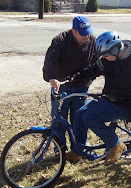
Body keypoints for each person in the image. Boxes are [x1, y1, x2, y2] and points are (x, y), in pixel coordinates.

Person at [66, 31, 131, 166]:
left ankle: (116, 145)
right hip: (109, 99)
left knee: (90, 117)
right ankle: (78, 152)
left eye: (105, 55)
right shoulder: (109, 59)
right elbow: (93, 70)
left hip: (125, 105)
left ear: (116, 49)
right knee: (80, 114)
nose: (104, 58)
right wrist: (75, 77)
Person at [42, 16, 97, 146]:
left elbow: (98, 65)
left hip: (82, 87)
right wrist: (52, 78)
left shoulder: (93, 42)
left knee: (79, 119)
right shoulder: (60, 40)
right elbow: (49, 61)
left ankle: (79, 148)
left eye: (88, 32)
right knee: (58, 119)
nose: (87, 36)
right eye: (83, 34)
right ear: (74, 31)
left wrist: (90, 79)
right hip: (61, 86)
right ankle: (59, 149)